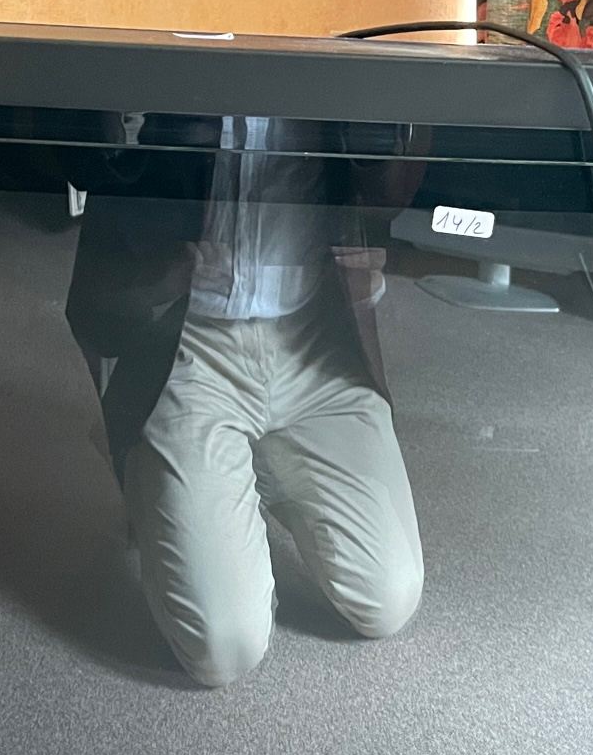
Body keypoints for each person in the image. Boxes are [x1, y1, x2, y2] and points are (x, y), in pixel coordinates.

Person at [64, 116, 424, 686]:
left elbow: (392, 187)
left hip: (313, 338)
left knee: (388, 598)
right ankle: (166, 474)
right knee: (223, 647)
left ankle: (247, 466)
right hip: (188, 336)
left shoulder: (335, 57)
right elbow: (84, 154)